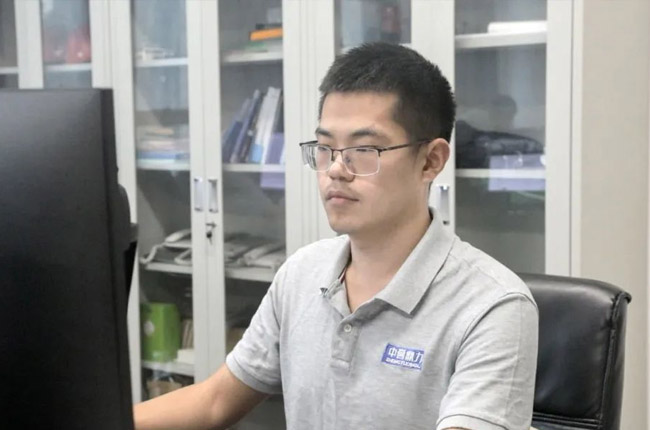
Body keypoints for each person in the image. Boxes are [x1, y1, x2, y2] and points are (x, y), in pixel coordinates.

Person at [134, 42, 539, 430]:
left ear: (430, 161)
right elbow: (214, 402)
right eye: (326, 148)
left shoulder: (492, 306)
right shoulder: (301, 274)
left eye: (364, 150)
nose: (335, 170)